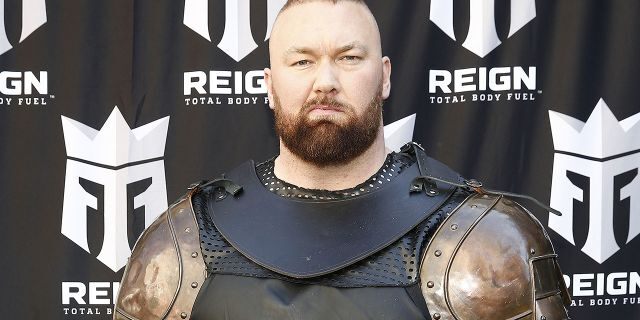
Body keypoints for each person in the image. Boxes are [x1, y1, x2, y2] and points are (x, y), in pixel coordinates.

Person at [114, 1, 571, 319]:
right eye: (302, 62)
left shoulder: (484, 241)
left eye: (349, 57)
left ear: (385, 76)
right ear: (270, 85)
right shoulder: (181, 245)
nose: (326, 81)